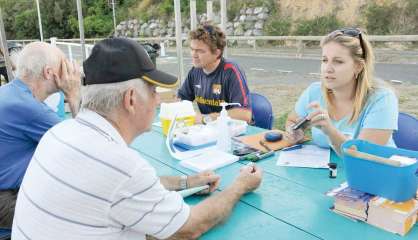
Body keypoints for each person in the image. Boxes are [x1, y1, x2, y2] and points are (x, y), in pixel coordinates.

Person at [12, 38, 263, 240]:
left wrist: (187, 182)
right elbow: (188, 228)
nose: (157, 100)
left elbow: (124, 189)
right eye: (153, 91)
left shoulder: (60, 133)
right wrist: (239, 186)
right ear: (130, 99)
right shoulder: (121, 166)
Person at [0, 42, 81, 228]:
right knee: (79, 211)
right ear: (48, 73)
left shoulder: (10, 93)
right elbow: (83, 147)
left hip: (8, 190)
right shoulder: (28, 108)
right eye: (64, 67)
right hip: (6, 199)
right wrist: (74, 95)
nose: (69, 73)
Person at [284, 28, 398, 154]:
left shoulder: (382, 98)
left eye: (338, 61)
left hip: (377, 170)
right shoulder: (314, 91)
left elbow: (363, 157)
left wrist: (330, 131)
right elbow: (292, 120)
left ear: (358, 67)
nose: (328, 68)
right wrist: (294, 133)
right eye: (325, 60)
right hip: (329, 170)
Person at [178, 24, 252, 124]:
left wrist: (205, 119)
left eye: (200, 51)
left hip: (236, 133)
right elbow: (181, 100)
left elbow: (244, 115)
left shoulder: (231, 71)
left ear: (217, 53)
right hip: (209, 132)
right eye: (192, 49)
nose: (193, 55)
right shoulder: (195, 71)